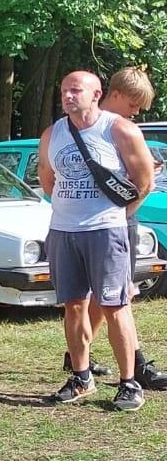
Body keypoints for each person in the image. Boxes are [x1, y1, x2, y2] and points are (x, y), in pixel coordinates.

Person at [38, 71, 153, 411]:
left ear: (97, 93)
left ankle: (129, 382)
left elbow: (144, 182)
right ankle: (81, 376)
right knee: (73, 305)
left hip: (106, 231)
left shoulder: (120, 130)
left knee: (115, 306)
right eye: (64, 90)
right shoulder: (52, 134)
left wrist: (114, 215)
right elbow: (48, 181)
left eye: (76, 90)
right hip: (63, 231)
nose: (68, 96)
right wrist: (72, 210)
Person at [60, 67, 167, 390]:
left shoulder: (123, 129)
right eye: (133, 104)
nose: (136, 112)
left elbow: (141, 179)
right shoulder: (93, 127)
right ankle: (135, 366)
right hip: (109, 220)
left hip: (117, 217)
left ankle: (80, 353)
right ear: (114, 94)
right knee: (117, 297)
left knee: (112, 295)